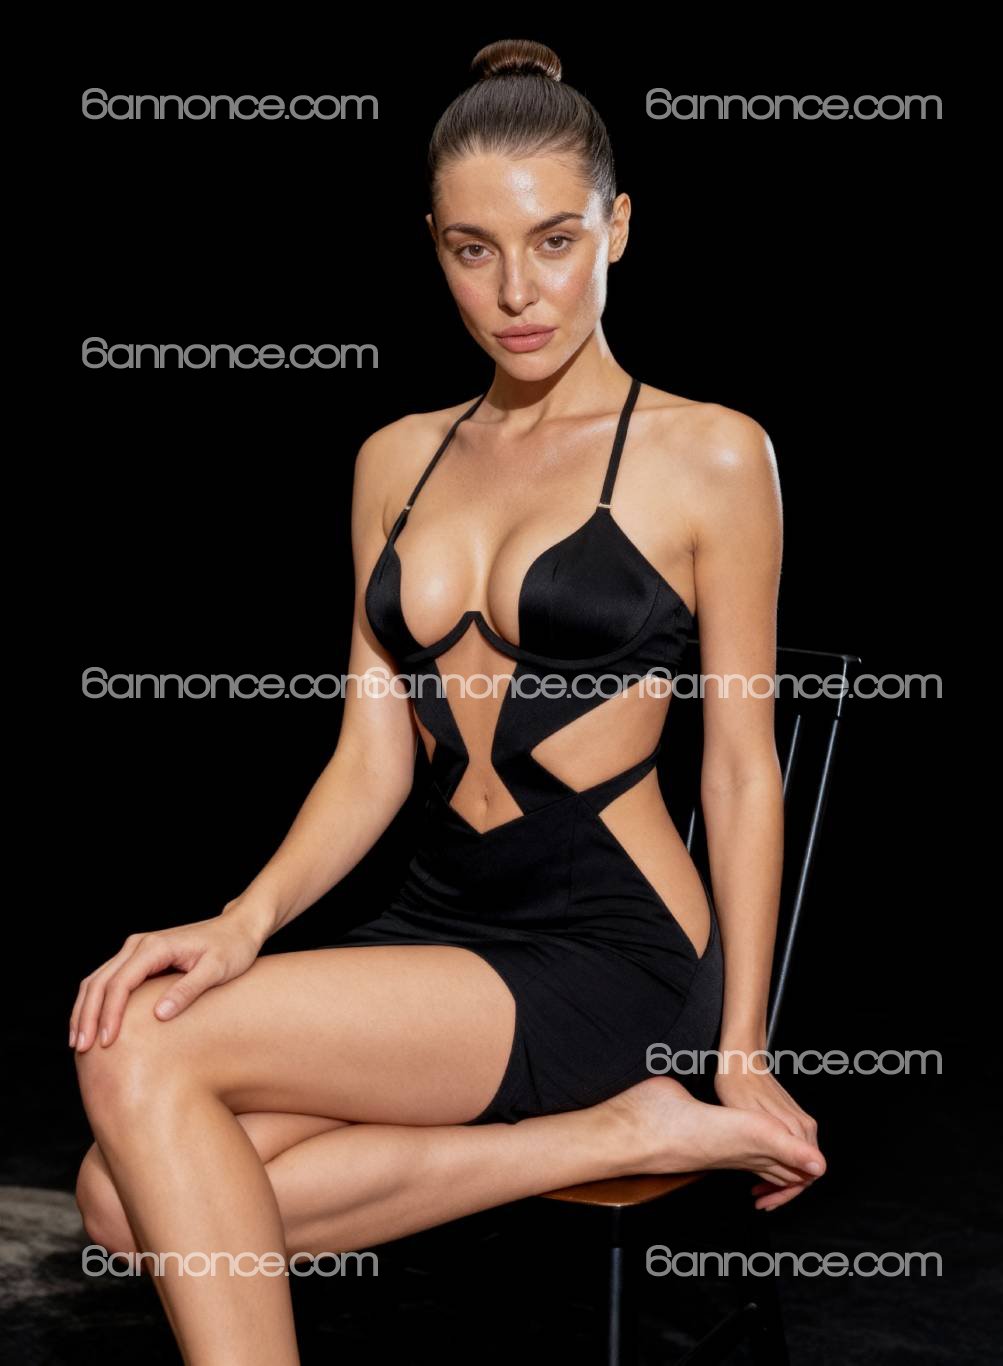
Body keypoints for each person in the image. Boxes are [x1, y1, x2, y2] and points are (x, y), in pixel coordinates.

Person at [71, 38, 825, 1363]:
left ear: (619, 228)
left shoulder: (711, 453)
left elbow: (740, 768)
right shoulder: (394, 460)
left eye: (554, 242)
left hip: (614, 947)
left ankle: (639, 1100)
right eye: (475, 250)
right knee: (119, 1203)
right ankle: (605, 1134)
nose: (517, 292)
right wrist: (243, 921)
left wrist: (746, 1048)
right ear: (434, 247)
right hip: (445, 918)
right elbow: (370, 759)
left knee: (134, 1051)